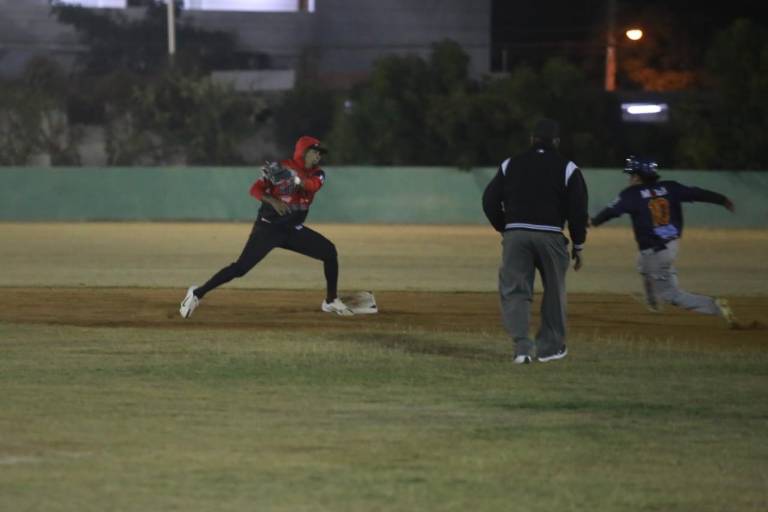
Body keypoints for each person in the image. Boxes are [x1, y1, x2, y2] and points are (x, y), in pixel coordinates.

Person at [179, 135, 354, 318]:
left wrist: (294, 180)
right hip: (268, 228)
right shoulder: (280, 168)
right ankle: (197, 293)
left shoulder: (318, 173)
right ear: (303, 152)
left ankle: (331, 301)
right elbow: (254, 190)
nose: (319, 156)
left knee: (329, 252)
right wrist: (272, 200)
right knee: (240, 269)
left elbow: (312, 186)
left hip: (292, 229)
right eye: (315, 152)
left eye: (320, 153)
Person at [482, 118, 589, 364]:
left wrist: (506, 228)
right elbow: (578, 211)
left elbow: (489, 201)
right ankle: (550, 349)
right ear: (557, 142)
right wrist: (579, 244)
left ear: (532, 140)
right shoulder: (568, 167)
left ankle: (522, 349)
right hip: (551, 235)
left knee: (515, 291)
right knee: (554, 291)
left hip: (516, 235)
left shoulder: (511, 164)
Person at [590, 156, 737, 326]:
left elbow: (611, 211)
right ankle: (653, 301)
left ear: (638, 176)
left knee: (670, 294)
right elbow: (698, 193)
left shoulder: (631, 194)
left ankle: (714, 306)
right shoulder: (670, 187)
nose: (630, 178)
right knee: (642, 262)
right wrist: (722, 199)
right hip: (670, 245)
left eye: (632, 175)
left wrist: (594, 221)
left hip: (656, 251)